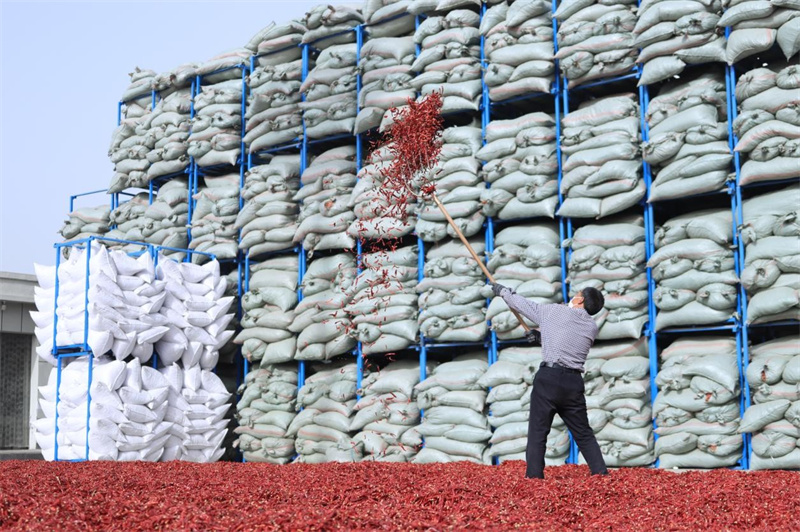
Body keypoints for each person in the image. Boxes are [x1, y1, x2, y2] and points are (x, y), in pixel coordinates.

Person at [491, 282, 609, 479]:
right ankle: (601, 474)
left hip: (549, 379)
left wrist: (503, 292)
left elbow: (524, 305)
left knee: (538, 432)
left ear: (579, 299)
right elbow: (567, 341)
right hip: (573, 383)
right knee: (583, 433)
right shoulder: (591, 327)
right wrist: (541, 337)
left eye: (577, 294)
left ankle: (534, 478)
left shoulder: (556, 312)